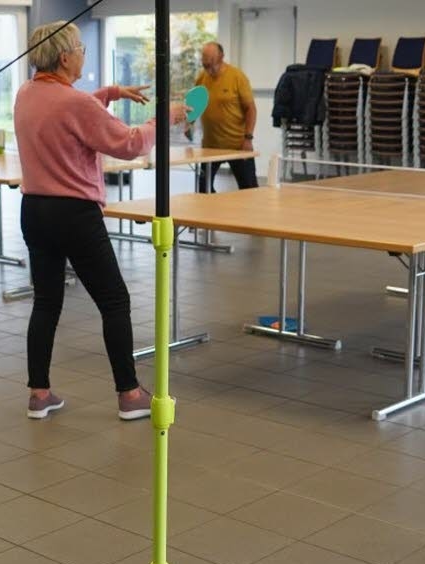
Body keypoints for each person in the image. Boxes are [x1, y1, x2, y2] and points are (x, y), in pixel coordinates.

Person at [15, 21, 186, 421]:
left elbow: (62, 110)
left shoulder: (26, 94)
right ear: (64, 57)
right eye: (80, 49)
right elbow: (128, 143)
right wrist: (166, 117)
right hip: (73, 214)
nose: (83, 55)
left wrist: (107, 94)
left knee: (46, 301)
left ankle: (39, 394)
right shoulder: (75, 104)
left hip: (35, 211)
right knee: (114, 300)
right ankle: (129, 395)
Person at [190, 41, 258, 192]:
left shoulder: (237, 77)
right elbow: (194, 105)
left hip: (237, 145)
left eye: (211, 63)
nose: (208, 68)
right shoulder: (202, 78)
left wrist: (248, 138)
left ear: (221, 57)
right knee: (203, 189)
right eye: (205, 64)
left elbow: (251, 109)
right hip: (210, 146)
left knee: (250, 190)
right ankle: (213, 213)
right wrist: (188, 124)